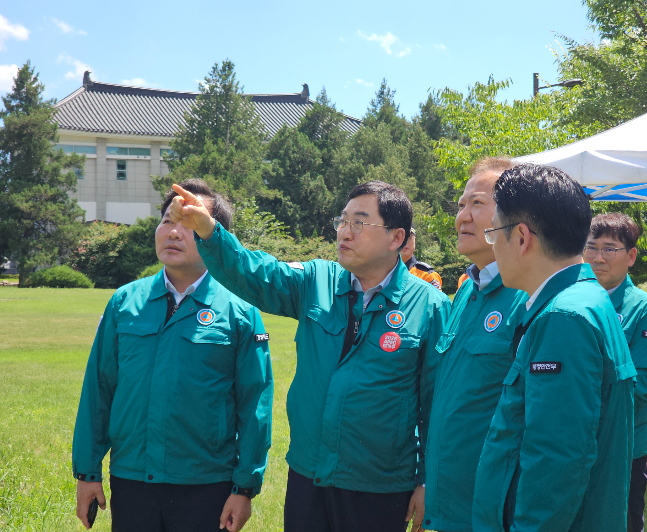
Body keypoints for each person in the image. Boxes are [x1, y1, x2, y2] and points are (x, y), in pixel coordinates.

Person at [168, 180, 451, 532]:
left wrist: (425, 482)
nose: (344, 232)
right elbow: (254, 272)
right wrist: (209, 230)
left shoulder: (430, 306)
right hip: (309, 474)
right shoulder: (317, 281)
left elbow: (435, 405)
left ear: (396, 238)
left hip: (380, 485)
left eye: (359, 223)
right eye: (342, 221)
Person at [72, 179, 274, 532]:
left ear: (215, 238)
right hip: (132, 478)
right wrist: (87, 472)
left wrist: (244, 488)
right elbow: (99, 389)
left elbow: (255, 405)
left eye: (189, 223)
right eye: (167, 220)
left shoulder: (240, 311)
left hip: (205, 484)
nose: (174, 232)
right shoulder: (124, 303)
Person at [471, 163, 636, 532]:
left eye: (493, 231)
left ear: (521, 237)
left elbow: (557, 459)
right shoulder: (582, 301)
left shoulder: (564, 318)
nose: (491, 242)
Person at [422, 157, 528, 532]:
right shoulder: (467, 291)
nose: (462, 216)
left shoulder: (527, 297)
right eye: (461, 204)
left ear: (517, 217)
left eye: (477, 204)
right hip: (448, 504)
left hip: (493, 512)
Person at [584, 213, 647, 532]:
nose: (598, 257)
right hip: (572, 440)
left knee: (620, 522)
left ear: (631, 256)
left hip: (621, 446)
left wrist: (578, 393)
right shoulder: (572, 301)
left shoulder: (646, 311)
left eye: (610, 249)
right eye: (591, 247)